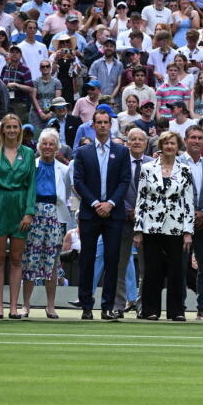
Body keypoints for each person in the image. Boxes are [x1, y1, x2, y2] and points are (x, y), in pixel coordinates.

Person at [72, 109, 132, 320]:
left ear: (111, 124)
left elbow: (125, 180)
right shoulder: (83, 152)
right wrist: (97, 203)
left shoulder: (122, 152)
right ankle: (87, 305)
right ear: (93, 125)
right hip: (90, 212)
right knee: (87, 260)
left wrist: (111, 203)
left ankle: (108, 306)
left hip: (114, 214)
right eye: (99, 122)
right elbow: (78, 181)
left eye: (106, 122)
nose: (103, 125)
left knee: (112, 259)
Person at [134, 131, 196, 321]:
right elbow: (141, 198)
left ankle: (176, 311)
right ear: (161, 146)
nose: (169, 146)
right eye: (166, 143)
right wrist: (138, 229)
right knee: (152, 270)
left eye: (173, 143)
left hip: (176, 226)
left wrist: (188, 231)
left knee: (177, 270)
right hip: (151, 226)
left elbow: (189, 202)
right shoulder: (147, 168)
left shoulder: (185, 169)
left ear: (178, 147)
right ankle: (150, 310)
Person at [0, 113, 37, 319]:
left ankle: (14, 306)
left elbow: (32, 184)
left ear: (20, 130)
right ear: (2, 130)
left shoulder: (29, 153)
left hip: (20, 207)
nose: (12, 130)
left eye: (16, 127)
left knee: (15, 258)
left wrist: (29, 212)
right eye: (9, 127)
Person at [23, 129, 71, 319]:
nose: (48, 147)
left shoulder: (64, 169)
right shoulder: (31, 166)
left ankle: (50, 306)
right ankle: (25, 305)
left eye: (51, 144)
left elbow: (65, 195)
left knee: (52, 263)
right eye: (44, 144)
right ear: (39, 146)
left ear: (57, 147)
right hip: (33, 215)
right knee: (30, 261)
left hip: (55, 216)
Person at [115, 127, 152, 316]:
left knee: (147, 267)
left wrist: (141, 212)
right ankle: (118, 305)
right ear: (127, 142)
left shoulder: (154, 164)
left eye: (140, 139)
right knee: (120, 264)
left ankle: (142, 306)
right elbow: (113, 187)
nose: (137, 142)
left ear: (146, 143)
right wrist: (126, 209)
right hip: (123, 218)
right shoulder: (119, 162)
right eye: (133, 139)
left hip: (147, 222)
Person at [180, 125, 203, 319]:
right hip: (180, 223)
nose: (196, 141)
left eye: (199, 138)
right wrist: (189, 213)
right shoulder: (176, 163)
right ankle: (180, 306)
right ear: (185, 140)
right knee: (181, 265)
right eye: (192, 137)